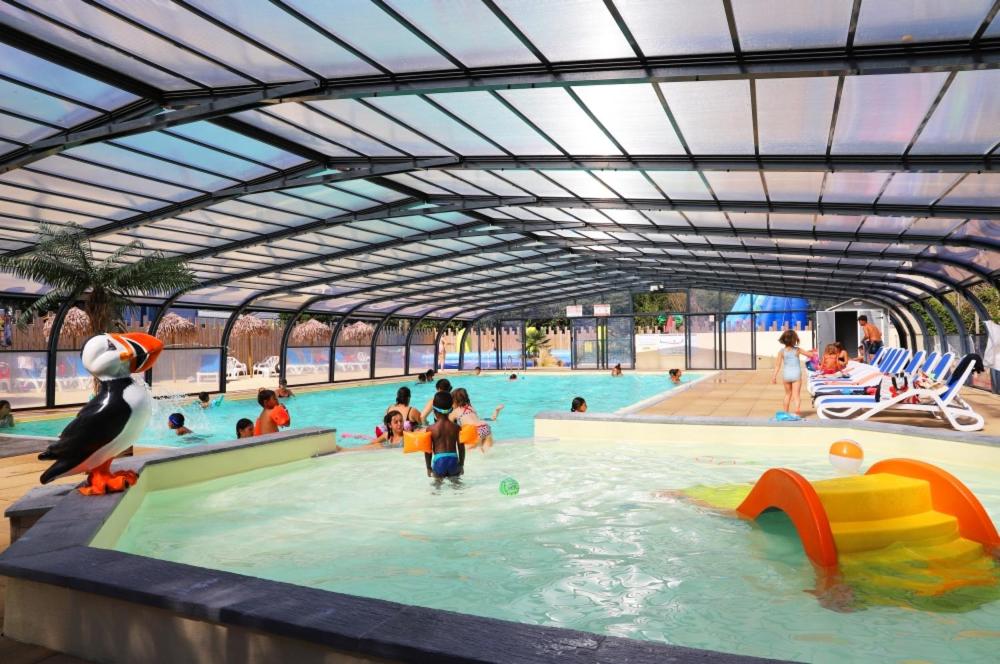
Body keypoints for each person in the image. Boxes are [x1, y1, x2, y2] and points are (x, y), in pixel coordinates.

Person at [450, 388, 504, 453]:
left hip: (471, 428)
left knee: (466, 453)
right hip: (484, 427)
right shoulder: (471, 408)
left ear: (454, 401)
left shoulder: (455, 411)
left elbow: (445, 424)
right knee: (487, 452)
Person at [771, 329, 811, 417]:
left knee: (787, 394)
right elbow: (810, 355)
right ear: (795, 340)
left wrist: (774, 377)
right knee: (796, 395)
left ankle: (785, 413)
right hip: (796, 375)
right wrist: (813, 352)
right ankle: (797, 412)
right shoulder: (798, 350)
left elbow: (777, 366)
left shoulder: (781, 352)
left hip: (786, 375)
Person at [426, 391, 463, 479]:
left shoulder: (431, 429)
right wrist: (461, 464)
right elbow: (461, 448)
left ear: (434, 411)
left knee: (437, 487)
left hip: (439, 461)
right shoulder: (456, 427)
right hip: (453, 460)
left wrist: (428, 467)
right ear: (451, 410)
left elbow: (428, 450)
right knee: (457, 487)